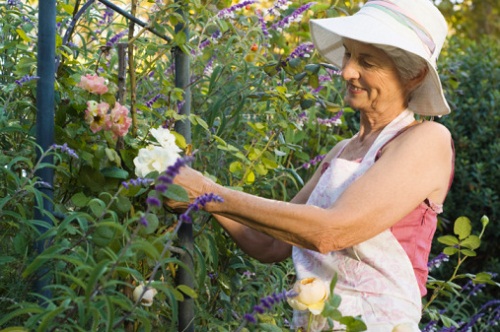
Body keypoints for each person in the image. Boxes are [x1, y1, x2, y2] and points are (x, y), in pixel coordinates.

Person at [166, 0, 454, 330]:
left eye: (367, 61)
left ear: (414, 75)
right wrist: (197, 193)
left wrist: (209, 192)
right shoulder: (340, 151)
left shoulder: (427, 139)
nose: (346, 71)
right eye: (348, 54)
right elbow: (271, 243)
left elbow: (332, 231)